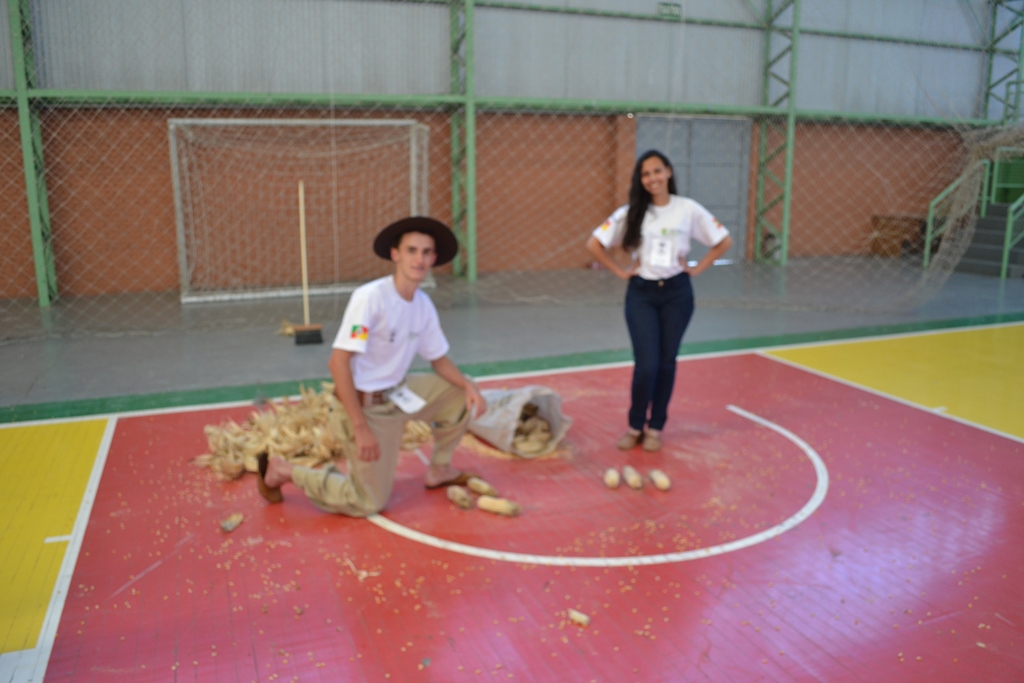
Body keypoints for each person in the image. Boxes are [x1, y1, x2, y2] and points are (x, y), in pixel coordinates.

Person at [257, 216, 487, 515]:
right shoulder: (370, 298)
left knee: (460, 392)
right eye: (411, 250)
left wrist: (470, 387)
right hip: (364, 408)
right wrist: (360, 427)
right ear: (395, 254)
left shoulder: (422, 305)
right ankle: (284, 471)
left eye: (426, 252)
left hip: (397, 393)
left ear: (433, 259)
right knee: (368, 502)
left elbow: (439, 360)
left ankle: (440, 469)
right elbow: (338, 362)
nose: (419, 259)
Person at [585, 150, 733, 452]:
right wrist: (621, 272)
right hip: (642, 293)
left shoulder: (687, 209)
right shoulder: (632, 212)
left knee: (666, 363)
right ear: (640, 179)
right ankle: (635, 425)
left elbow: (723, 241)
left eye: (657, 171)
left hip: (677, 294)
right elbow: (594, 243)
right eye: (645, 174)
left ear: (668, 172)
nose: (652, 178)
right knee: (646, 365)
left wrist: (696, 269)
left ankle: (655, 427)